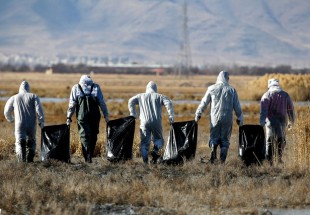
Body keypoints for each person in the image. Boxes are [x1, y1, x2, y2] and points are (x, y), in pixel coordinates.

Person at [195, 71, 243, 164]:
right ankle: (222, 161)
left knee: (214, 137)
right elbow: (237, 106)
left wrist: (198, 114)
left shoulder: (211, 88)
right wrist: (240, 118)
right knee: (225, 139)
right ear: (227, 78)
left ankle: (213, 157)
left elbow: (204, 102)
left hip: (214, 118)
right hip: (227, 118)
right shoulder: (232, 90)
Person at [128, 81, 174, 164]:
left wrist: (133, 114)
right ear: (155, 88)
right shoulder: (160, 96)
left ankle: (145, 161)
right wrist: (171, 117)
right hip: (156, 122)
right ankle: (156, 150)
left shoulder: (140, 96)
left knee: (144, 143)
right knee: (159, 139)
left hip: (144, 122)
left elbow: (130, 101)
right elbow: (169, 103)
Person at [66, 75, 109, 163]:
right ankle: (90, 154)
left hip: (82, 116)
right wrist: (106, 116)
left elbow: (72, 105)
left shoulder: (76, 87)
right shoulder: (96, 87)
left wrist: (68, 117)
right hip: (95, 116)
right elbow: (102, 103)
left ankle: (87, 156)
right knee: (93, 135)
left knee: (84, 135)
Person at [4, 80, 45, 162]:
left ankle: (21, 162)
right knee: (32, 142)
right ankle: (30, 160)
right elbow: (39, 110)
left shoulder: (14, 97)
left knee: (19, 143)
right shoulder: (34, 96)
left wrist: (11, 119)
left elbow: (6, 111)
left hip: (19, 124)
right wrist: (41, 121)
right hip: (31, 124)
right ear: (28, 88)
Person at [260, 78, 295, 164]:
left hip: (269, 122)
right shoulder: (285, 95)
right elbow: (290, 109)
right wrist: (291, 121)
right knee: (281, 140)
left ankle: (269, 160)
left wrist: (261, 122)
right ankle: (279, 158)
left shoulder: (266, 95)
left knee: (269, 141)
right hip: (281, 122)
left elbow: (263, 111)